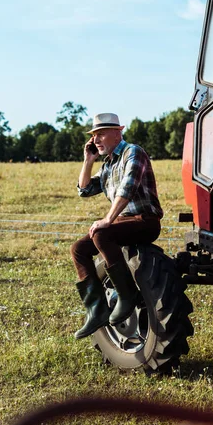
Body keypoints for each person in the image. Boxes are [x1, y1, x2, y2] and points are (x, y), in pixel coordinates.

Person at [70, 112, 163, 339]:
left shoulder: (133, 152)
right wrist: (88, 161)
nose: (96, 140)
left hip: (145, 221)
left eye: (101, 134)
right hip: (123, 222)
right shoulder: (109, 164)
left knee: (101, 235)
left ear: (117, 132)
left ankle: (127, 294)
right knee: (78, 249)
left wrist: (108, 220)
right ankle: (97, 310)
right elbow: (85, 190)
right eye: (94, 136)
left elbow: (127, 189)